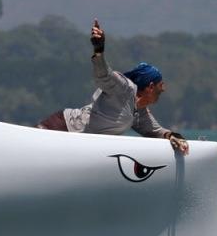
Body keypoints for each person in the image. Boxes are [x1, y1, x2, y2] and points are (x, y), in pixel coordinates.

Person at [37, 19, 189, 155]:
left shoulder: (139, 114)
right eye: (160, 85)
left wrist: (171, 136)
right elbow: (103, 75)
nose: (164, 89)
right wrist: (99, 50)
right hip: (61, 128)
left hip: (77, 145)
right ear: (150, 87)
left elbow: (155, 131)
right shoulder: (124, 89)